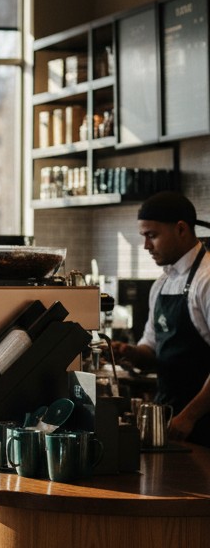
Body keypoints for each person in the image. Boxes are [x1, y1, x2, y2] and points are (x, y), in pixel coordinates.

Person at [111, 190, 210, 444]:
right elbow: (152, 350)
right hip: (171, 419)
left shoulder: (206, 280)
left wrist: (189, 417)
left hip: (202, 423)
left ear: (181, 229)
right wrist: (130, 352)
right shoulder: (162, 284)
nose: (145, 246)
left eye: (152, 236)